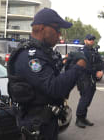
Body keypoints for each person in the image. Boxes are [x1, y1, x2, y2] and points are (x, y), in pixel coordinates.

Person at [7, 8, 87, 140]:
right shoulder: (30, 56)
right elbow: (54, 88)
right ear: (43, 28)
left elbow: (57, 76)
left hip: (47, 122)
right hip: (35, 126)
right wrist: (78, 67)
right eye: (57, 29)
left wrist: (67, 63)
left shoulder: (44, 53)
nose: (59, 34)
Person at [75, 34, 104, 128]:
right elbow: (85, 66)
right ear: (85, 40)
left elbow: (101, 63)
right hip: (83, 78)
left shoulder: (94, 52)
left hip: (92, 79)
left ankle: (83, 118)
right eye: (89, 39)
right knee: (84, 99)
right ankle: (79, 119)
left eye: (92, 39)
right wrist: (96, 70)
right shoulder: (81, 52)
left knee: (88, 100)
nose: (91, 41)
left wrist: (101, 71)